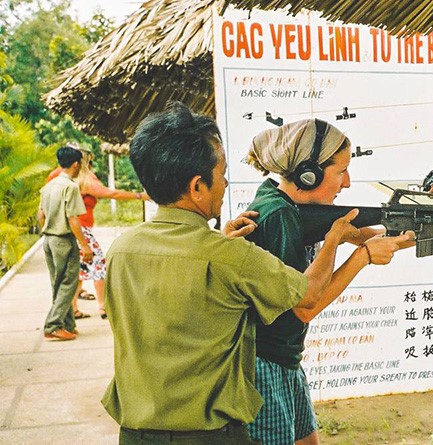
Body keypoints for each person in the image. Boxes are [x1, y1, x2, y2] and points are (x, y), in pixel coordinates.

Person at [101, 102, 365, 445]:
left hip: (137, 434)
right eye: (222, 174)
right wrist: (337, 242)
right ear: (198, 187)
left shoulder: (121, 251)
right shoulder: (229, 256)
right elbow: (308, 296)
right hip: (211, 435)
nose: (226, 183)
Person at [243, 119, 433, 445]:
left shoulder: (290, 207)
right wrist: (360, 257)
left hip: (284, 359)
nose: (347, 183)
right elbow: (304, 308)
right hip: (263, 365)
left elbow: (372, 235)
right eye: (341, 172)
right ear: (310, 174)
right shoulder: (278, 216)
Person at [47, 146, 149, 319]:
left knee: (76, 270)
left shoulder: (56, 177)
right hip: (81, 229)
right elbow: (112, 193)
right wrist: (140, 196)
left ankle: (73, 309)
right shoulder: (83, 180)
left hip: (62, 230)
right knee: (98, 264)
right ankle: (102, 306)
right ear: (79, 163)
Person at [38, 145, 93, 341]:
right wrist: (84, 245)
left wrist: (48, 233)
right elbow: (73, 218)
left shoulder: (49, 186)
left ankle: (67, 324)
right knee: (69, 283)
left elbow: (41, 216)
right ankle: (52, 325)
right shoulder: (70, 187)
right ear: (76, 164)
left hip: (49, 240)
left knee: (58, 283)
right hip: (63, 240)